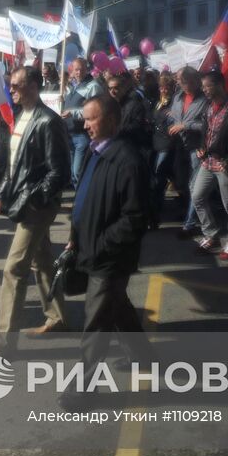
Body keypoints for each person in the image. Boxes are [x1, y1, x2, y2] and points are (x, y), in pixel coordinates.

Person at [0, 66, 72, 357]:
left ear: (34, 85)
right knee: (41, 261)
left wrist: (33, 201)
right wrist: (0, 198)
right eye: (11, 85)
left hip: (37, 207)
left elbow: (59, 173)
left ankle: (4, 342)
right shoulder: (22, 117)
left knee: (13, 268)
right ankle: (58, 317)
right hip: (24, 202)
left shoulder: (48, 121)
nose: (12, 90)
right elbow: (14, 166)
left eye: (17, 85)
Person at [68, 94, 152, 374]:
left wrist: (101, 245)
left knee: (96, 319)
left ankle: (83, 386)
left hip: (110, 256)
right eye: (85, 118)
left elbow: (135, 218)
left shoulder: (127, 160)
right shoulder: (97, 151)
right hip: (91, 246)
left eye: (91, 118)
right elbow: (85, 197)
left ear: (112, 120)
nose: (85, 125)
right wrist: (75, 235)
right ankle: (143, 356)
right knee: (117, 307)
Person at [190, 71, 228, 259]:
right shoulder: (209, 106)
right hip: (208, 161)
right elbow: (206, 131)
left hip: (226, 163)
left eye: (207, 86)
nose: (204, 90)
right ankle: (211, 234)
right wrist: (201, 147)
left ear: (219, 85)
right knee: (197, 196)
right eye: (203, 86)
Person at [169, 68, 208, 236]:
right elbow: (174, 116)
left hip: (197, 147)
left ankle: (189, 224)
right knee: (180, 182)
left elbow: (208, 124)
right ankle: (194, 212)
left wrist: (186, 125)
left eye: (182, 81)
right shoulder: (178, 97)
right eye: (179, 80)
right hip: (179, 145)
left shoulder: (204, 99)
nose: (179, 83)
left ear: (193, 81)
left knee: (194, 185)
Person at [61, 58, 104, 187]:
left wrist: (73, 113)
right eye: (76, 70)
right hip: (70, 134)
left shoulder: (93, 86)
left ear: (87, 69)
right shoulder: (73, 87)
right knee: (72, 174)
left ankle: (85, 198)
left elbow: (94, 111)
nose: (78, 72)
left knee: (78, 171)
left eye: (81, 69)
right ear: (72, 71)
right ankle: (78, 201)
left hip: (82, 135)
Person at [149, 71, 178, 226]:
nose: (163, 90)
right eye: (161, 87)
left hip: (167, 144)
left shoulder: (174, 103)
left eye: (166, 87)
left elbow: (174, 122)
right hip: (156, 143)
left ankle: (155, 212)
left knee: (159, 176)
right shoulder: (158, 102)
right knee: (164, 176)